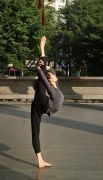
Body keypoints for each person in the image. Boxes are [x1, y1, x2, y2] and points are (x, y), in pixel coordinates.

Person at [31, 36, 64, 168]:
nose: (49, 79)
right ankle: (40, 160)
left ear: (56, 78)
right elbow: (44, 76)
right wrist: (39, 67)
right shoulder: (52, 89)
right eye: (49, 77)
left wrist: (41, 68)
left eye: (51, 77)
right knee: (35, 131)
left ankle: (42, 47)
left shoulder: (57, 91)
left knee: (41, 78)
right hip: (41, 104)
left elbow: (46, 74)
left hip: (44, 106)